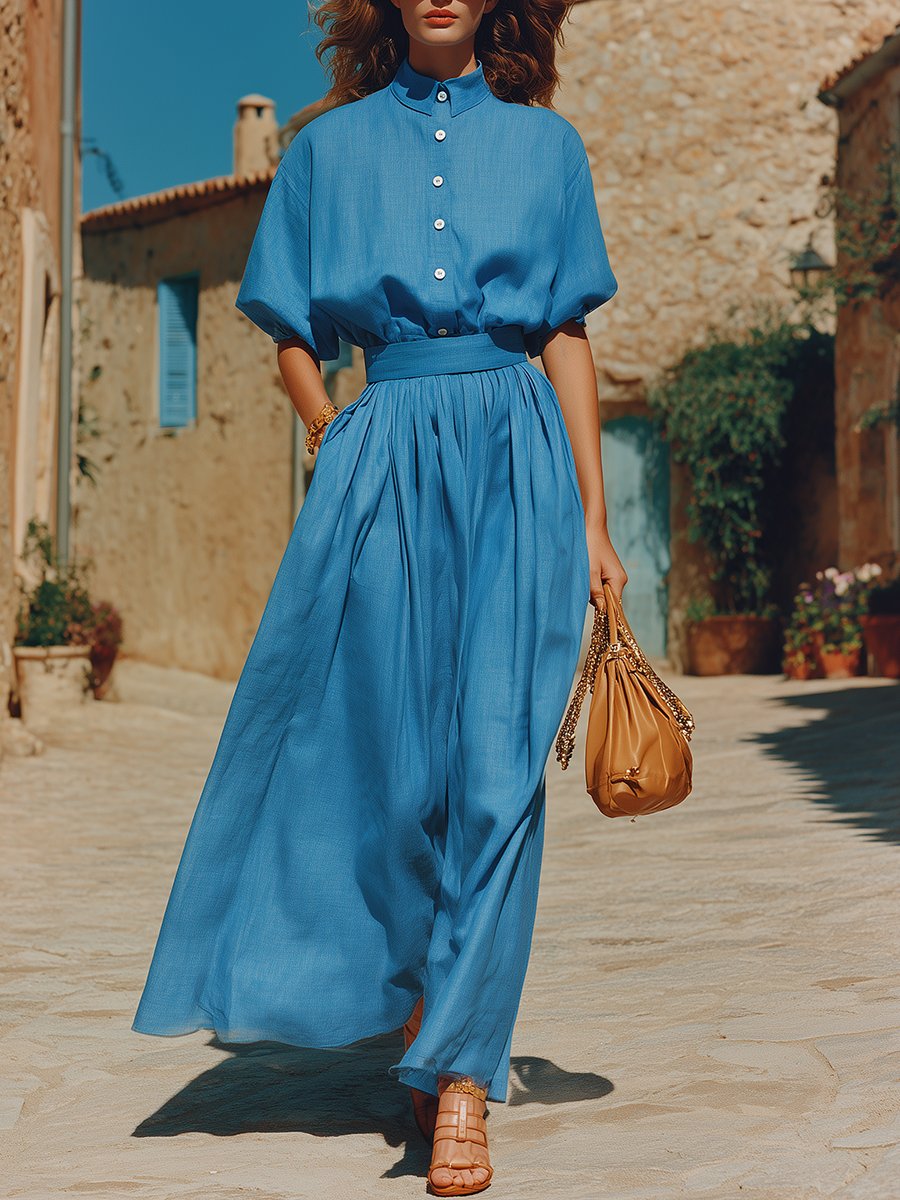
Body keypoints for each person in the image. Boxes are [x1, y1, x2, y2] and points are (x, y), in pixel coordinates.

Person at [132, 0, 626, 1193]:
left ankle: (461, 1083)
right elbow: (289, 325)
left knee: (497, 777)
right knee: (393, 772)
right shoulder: (326, 151)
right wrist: (329, 430)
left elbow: (563, 335)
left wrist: (597, 522)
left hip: (517, 462)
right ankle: (423, 1023)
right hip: (381, 457)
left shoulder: (547, 150)